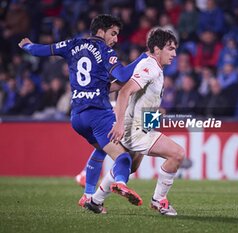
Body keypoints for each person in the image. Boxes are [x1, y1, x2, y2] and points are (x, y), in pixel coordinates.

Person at [18, 14, 148, 213]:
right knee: (123, 159)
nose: (115, 39)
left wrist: (27, 46)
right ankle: (120, 183)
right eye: (113, 34)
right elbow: (121, 75)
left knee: (102, 149)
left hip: (77, 117)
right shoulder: (105, 50)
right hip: (99, 114)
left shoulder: (73, 44)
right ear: (101, 31)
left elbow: (42, 50)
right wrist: (142, 58)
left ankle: (87, 196)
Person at [84, 28, 184, 216]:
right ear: (156, 49)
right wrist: (119, 124)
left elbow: (140, 100)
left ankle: (95, 200)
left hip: (142, 125)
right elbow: (124, 92)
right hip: (134, 129)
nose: (174, 54)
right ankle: (158, 200)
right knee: (177, 154)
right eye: (170, 49)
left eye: (175, 49)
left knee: (131, 167)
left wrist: (153, 120)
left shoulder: (156, 68)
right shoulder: (150, 67)